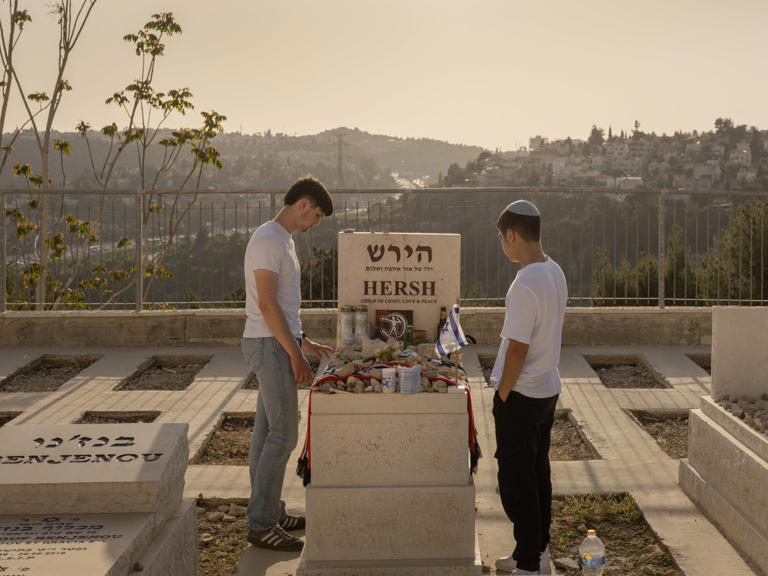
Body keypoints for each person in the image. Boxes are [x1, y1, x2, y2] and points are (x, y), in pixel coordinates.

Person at [241, 175, 334, 551]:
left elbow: (281, 304)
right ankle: (261, 523)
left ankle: (271, 512)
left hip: (277, 342)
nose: (315, 224)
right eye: (317, 217)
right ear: (304, 205)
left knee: (267, 436)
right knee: (283, 436)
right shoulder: (268, 240)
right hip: (270, 346)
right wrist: (295, 354)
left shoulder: (282, 240)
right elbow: (266, 304)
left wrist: (303, 341)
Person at [490, 199, 567, 575]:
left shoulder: (525, 283)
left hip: (521, 394)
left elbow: (517, 348)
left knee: (517, 481)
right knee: (537, 474)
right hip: (547, 389)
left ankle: (529, 565)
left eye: (503, 240)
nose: (503, 247)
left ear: (512, 235)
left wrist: (502, 394)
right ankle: (534, 551)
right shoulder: (554, 271)